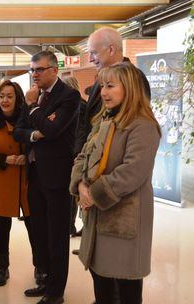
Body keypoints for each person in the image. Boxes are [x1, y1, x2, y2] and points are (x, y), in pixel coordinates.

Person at [69, 62, 161, 304]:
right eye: (102, 86)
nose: (103, 93)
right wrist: (80, 184)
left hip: (124, 221)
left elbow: (132, 172)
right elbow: (83, 155)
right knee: (102, 287)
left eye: (110, 86)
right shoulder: (104, 120)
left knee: (126, 290)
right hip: (98, 218)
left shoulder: (143, 125)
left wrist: (93, 194)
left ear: (129, 88)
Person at [14, 51, 80, 304]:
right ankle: (44, 281)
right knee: (39, 233)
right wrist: (34, 134)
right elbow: (19, 132)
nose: (35, 74)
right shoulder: (33, 95)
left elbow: (53, 130)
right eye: (32, 70)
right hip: (35, 174)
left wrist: (33, 107)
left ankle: (56, 293)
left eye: (39, 70)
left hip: (58, 177)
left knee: (57, 235)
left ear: (54, 69)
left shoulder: (69, 96)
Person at [0, 80, 35, 287]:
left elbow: (37, 142)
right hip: (2, 181)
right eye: (1, 96)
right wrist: (5, 159)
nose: (5, 100)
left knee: (33, 226)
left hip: (27, 182)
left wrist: (26, 156)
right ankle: (2, 268)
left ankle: (40, 267)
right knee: (2, 227)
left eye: (9, 96)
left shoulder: (28, 118)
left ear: (17, 98)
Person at [75, 27, 151, 156]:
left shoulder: (135, 79)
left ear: (111, 49)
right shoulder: (101, 78)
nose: (90, 59)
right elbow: (87, 121)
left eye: (93, 53)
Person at [62, 76, 87, 237]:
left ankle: (70, 224)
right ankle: (70, 224)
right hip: (74, 152)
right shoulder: (79, 104)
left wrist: (76, 152)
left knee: (73, 191)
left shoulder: (79, 106)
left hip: (75, 153)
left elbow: (82, 131)